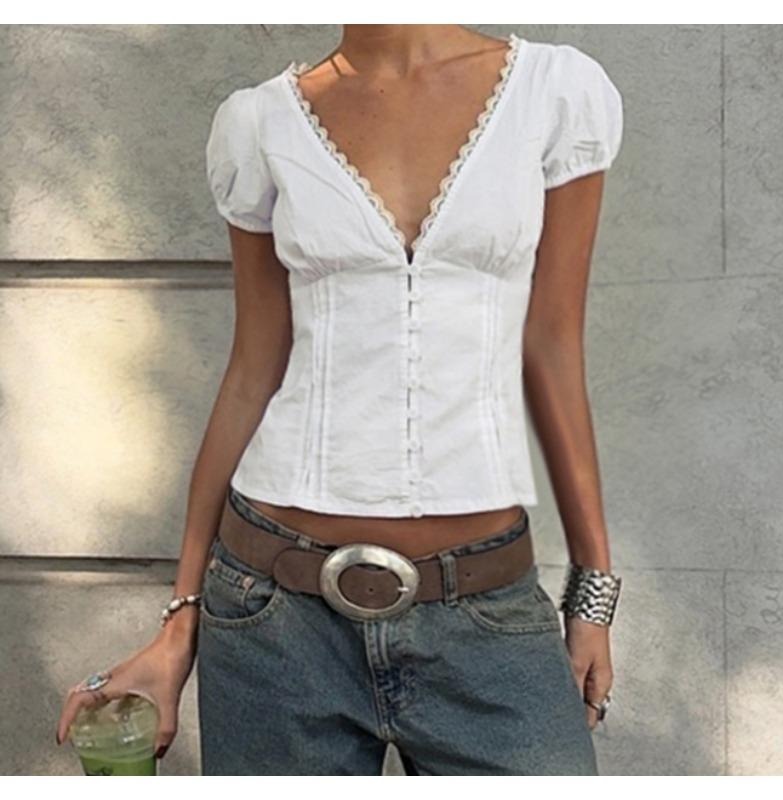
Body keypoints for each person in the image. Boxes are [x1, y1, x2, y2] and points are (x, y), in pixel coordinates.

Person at [56, 24, 624, 775]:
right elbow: (253, 369)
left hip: (483, 604)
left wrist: (592, 595)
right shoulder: (261, 122)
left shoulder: (554, 93)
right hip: (272, 614)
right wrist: (180, 618)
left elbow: (552, 346)